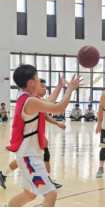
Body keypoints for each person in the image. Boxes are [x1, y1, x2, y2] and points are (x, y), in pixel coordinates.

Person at [3, 65, 81, 207]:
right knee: (51, 194)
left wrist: (60, 87)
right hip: (29, 157)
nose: (39, 81)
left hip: (29, 154)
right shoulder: (30, 101)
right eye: (37, 77)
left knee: (29, 195)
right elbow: (59, 108)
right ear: (30, 82)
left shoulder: (26, 97)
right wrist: (70, 89)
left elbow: (49, 101)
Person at [0, 77, 67, 191]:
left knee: (27, 160)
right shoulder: (31, 100)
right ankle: (47, 180)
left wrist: (56, 124)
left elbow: (45, 114)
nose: (45, 89)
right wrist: (68, 89)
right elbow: (55, 106)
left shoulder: (35, 99)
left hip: (34, 137)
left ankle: (4, 174)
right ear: (32, 85)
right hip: (28, 138)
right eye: (42, 86)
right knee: (30, 159)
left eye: (45, 87)